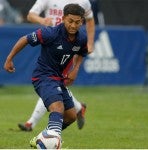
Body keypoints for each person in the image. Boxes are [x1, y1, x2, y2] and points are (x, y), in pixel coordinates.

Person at [4, 3, 87, 149]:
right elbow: (25, 39)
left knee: (71, 116)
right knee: (58, 108)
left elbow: (82, 52)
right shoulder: (50, 33)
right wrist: (9, 59)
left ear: (82, 21)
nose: (73, 25)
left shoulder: (81, 38)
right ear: (63, 19)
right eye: (70, 21)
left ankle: (43, 139)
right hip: (43, 76)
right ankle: (49, 145)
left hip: (59, 79)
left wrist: (75, 69)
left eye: (77, 22)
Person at [17, 0, 95, 132]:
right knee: (52, 87)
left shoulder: (83, 2)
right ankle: (78, 108)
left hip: (69, 46)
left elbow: (90, 20)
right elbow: (31, 15)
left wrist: (90, 44)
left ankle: (32, 124)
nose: (74, 24)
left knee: (52, 87)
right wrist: (43, 21)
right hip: (51, 42)